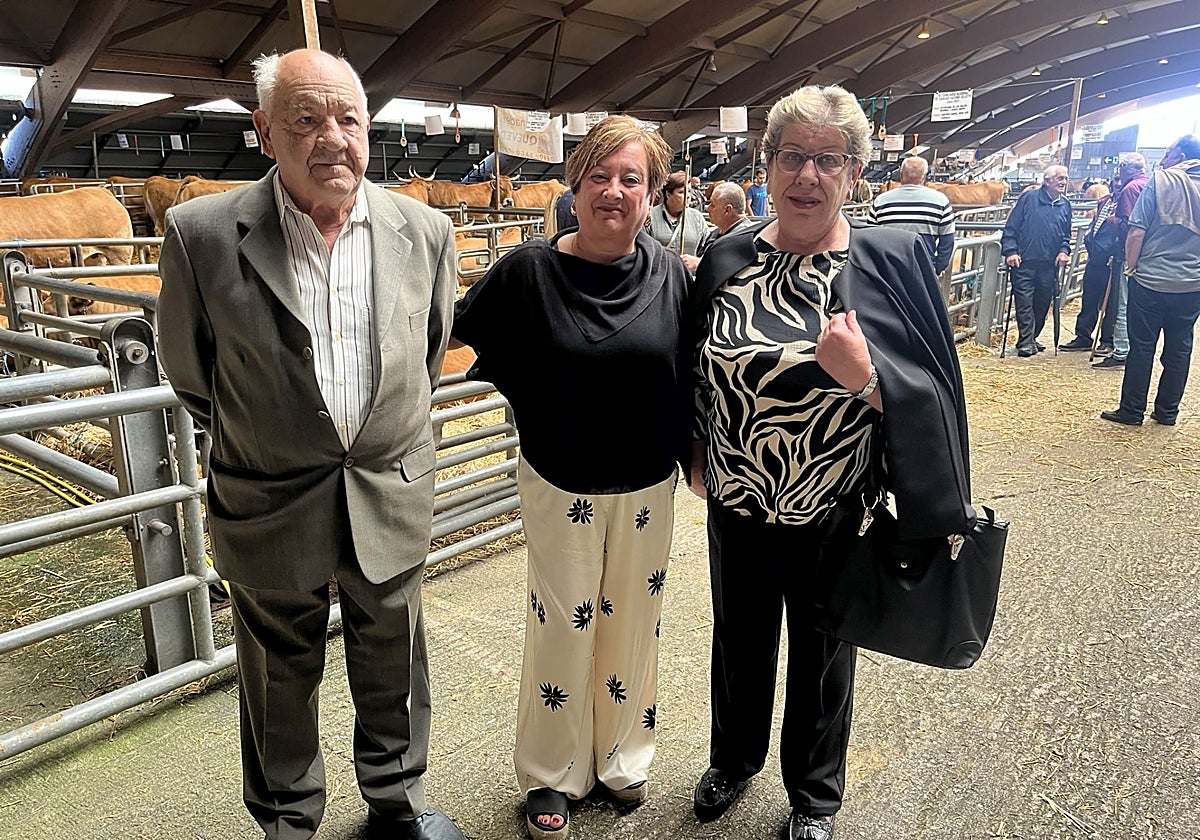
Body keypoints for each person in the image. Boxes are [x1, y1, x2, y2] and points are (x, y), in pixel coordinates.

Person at [156, 49, 465, 840]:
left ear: (369, 128)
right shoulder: (202, 235)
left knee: (394, 659)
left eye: (349, 118)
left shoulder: (423, 230)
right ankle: (290, 820)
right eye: (307, 118)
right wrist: (277, 435)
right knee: (276, 676)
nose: (333, 137)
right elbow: (192, 375)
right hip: (268, 496)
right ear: (264, 131)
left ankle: (397, 804)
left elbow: (426, 355)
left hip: (387, 489)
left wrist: (374, 439)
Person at [689, 85, 974, 840]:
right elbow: (693, 363)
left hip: (834, 505)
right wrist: (694, 451)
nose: (806, 176)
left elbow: (935, 387)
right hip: (739, 500)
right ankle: (734, 759)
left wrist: (870, 380)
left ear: (854, 173)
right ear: (769, 164)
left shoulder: (887, 258)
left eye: (827, 160)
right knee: (737, 640)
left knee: (823, 651)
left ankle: (814, 798)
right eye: (792, 157)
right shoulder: (726, 255)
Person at [452, 115, 691, 840]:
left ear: (652, 197)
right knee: (565, 625)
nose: (614, 192)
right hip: (561, 484)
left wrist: (703, 460)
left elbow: (695, 380)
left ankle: (621, 756)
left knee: (633, 626)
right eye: (600, 176)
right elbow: (450, 333)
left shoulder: (676, 276)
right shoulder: (527, 272)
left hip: (649, 485)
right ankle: (552, 774)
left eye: (632, 180)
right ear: (575, 187)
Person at [1101, 135, 1200, 426]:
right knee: (1180, 346)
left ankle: (1132, 410)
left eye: (1169, 152)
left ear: (1181, 155)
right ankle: (1167, 411)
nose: (1165, 158)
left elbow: (1136, 231)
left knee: (1142, 346)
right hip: (1192, 283)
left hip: (1151, 279)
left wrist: (1131, 268)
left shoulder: (1160, 181)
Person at [1000, 164, 1073, 356]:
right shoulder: (1029, 199)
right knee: (1024, 303)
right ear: (1047, 181)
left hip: (1049, 264)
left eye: (1065, 178)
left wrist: (1064, 250)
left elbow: (1066, 235)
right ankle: (1025, 342)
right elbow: (1011, 228)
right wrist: (1010, 251)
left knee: (1042, 303)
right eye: (1060, 178)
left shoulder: (1065, 204)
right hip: (1024, 262)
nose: (1064, 182)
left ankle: (1032, 337)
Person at [1093, 153, 1150, 369]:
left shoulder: (1130, 189)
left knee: (1123, 302)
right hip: (1147, 254)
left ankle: (1122, 351)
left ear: (1126, 168)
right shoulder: (1149, 184)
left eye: (1120, 169)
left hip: (1129, 254)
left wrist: (1111, 219)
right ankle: (1128, 349)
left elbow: (1128, 225)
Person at [1059, 174, 1122, 352]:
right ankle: (1083, 336)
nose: (1117, 183)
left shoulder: (1127, 204)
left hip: (1111, 259)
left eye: (1120, 181)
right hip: (1095, 256)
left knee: (1110, 301)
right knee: (1089, 298)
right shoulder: (1105, 201)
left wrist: (1117, 253)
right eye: (1115, 179)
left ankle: (1107, 340)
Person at [866, 155, 956, 274]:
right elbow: (948, 241)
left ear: (901, 174)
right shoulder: (940, 201)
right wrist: (937, 268)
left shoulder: (881, 201)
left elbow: (869, 237)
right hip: (923, 270)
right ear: (924, 176)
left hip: (888, 270)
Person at [647, 170, 711, 272]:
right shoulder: (650, 217)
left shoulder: (697, 218)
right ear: (668, 194)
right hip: (658, 282)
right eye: (682, 192)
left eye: (689, 191)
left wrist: (698, 262)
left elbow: (709, 249)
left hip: (688, 283)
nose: (688, 196)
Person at [698, 181, 755, 256]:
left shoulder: (746, 239)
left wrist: (699, 263)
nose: (708, 209)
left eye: (712, 204)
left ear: (727, 210)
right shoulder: (715, 233)